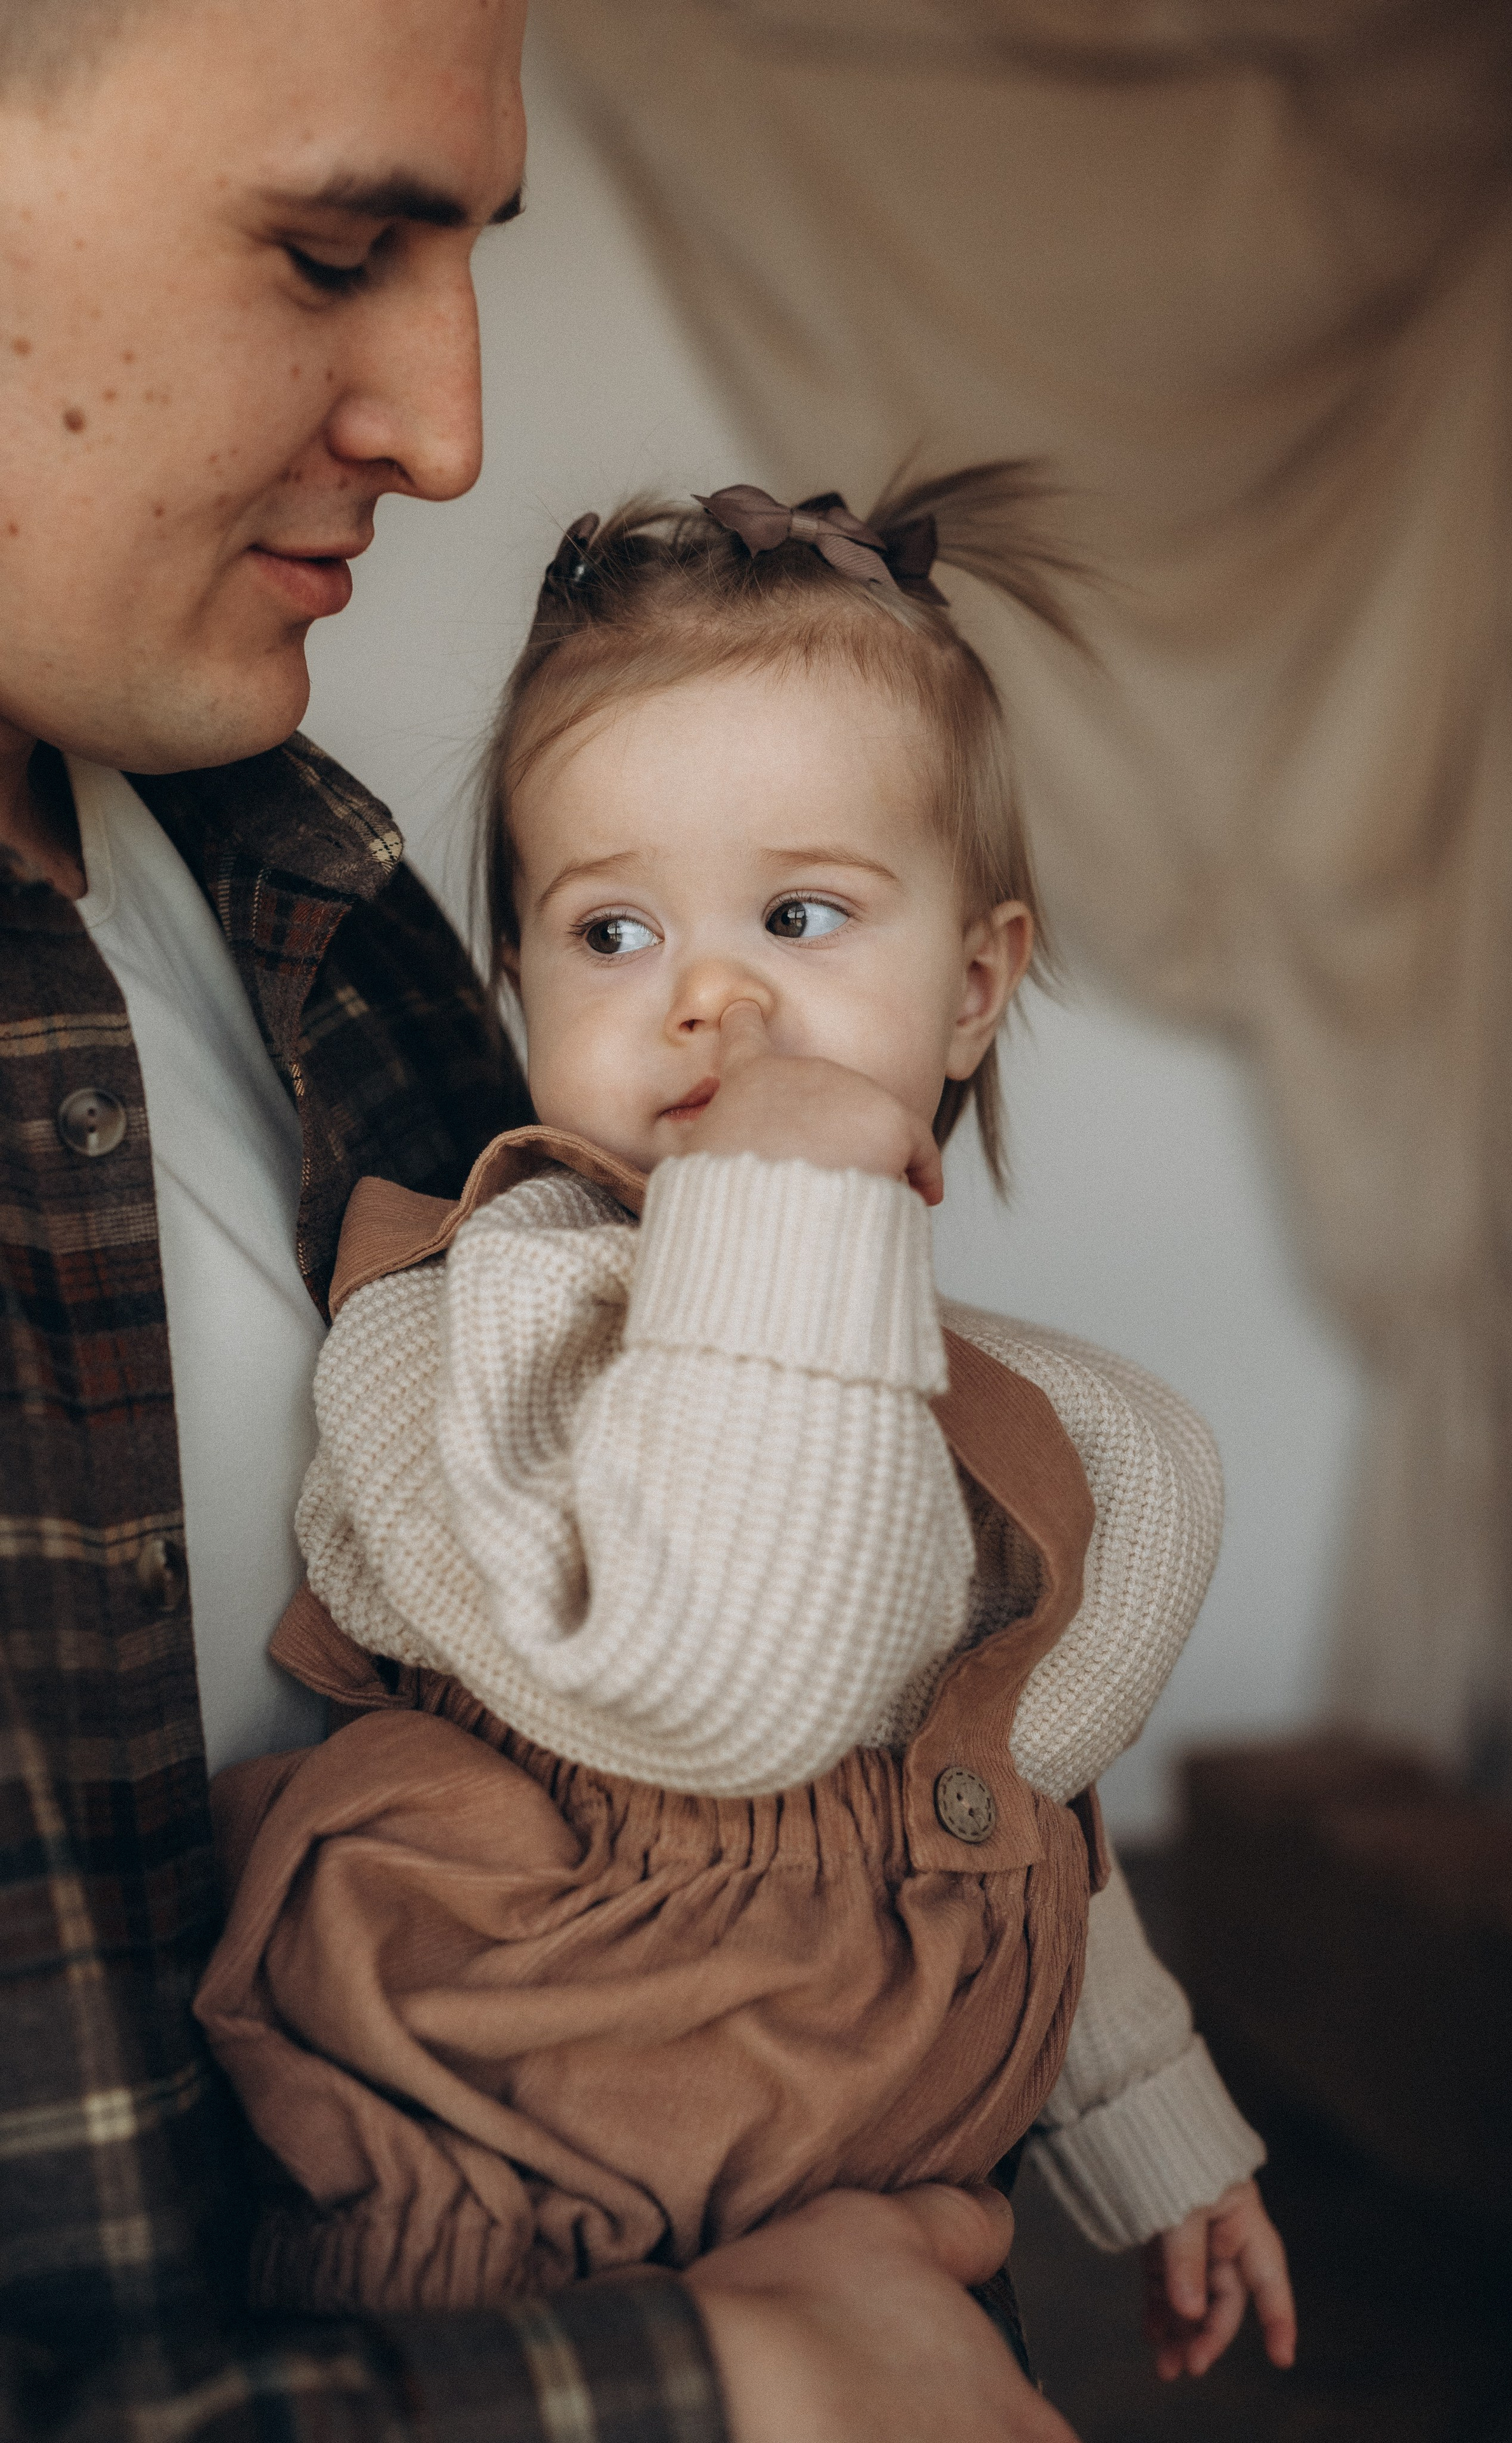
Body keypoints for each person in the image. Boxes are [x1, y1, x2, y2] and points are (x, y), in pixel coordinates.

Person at [0, 3, 1115, 2437]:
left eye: (468, 256)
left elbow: (914, 1768)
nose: (451, 431)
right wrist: (731, 2380)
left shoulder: (309, 885)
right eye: (326, 247)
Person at [189, 474, 1297, 2382]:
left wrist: (1153, 2131)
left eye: (799, 914)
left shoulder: (978, 1412)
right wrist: (781, 1206)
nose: (711, 995)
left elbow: (984, 1800)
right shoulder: (477, 1321)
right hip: (524, 2208)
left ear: (970, 989)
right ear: (520, 992)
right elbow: (730, 1693)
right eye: (612, 932)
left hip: (878, 2190)